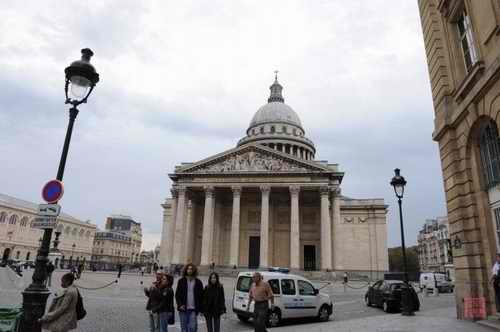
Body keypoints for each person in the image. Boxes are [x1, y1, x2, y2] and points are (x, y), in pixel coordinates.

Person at [175, 263, 204, 332]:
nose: (189, 270)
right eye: (188, 269)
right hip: (183, 308)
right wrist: (180, 304)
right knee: (184, 329)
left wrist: (201, 309)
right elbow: (177, 295)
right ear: (185, 270)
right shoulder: (181, 281)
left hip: (193, 309)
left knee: (193, 328)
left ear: (194, 270)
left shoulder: (198, 282)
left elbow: (201, 296)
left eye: (191, 269)